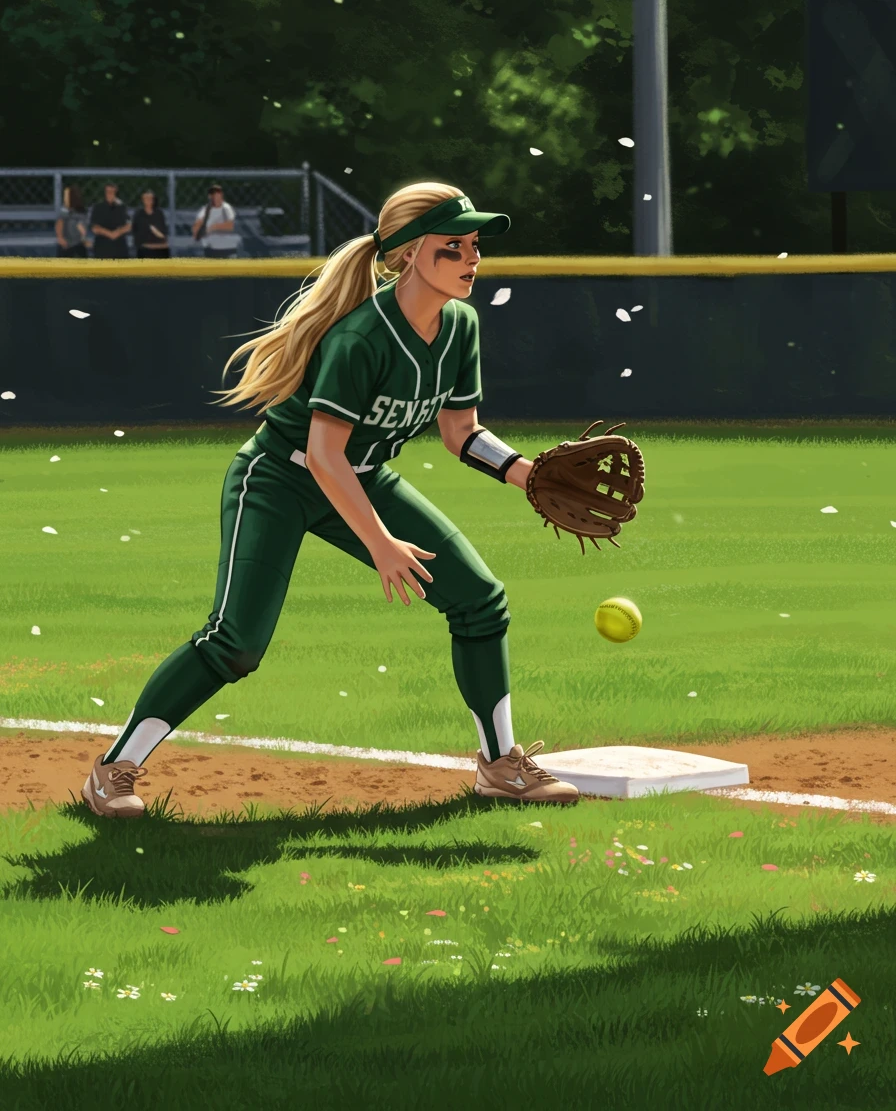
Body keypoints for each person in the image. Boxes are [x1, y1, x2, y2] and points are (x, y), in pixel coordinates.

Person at [80, 181, 580, 819]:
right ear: (407, 253)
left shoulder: (461, 326)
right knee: (236, 643)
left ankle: (500, 766)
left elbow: (462, 433)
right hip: (280, 480)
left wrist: (528, 474)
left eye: (474, 245)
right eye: (452, 247)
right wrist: (382, 545)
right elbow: (321, 455)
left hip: (364, 476)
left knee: (480, 601)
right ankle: (113, 770)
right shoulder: (362, 337)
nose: (471, 260)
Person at [192, 183, 238, 257]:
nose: (216, 197)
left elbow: (230, 226)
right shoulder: (206, 209)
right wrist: (197, 231)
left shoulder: (226, 208)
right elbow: (197, 224)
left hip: (227, 247)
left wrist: (212, 227)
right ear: (210, 196)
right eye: (213, 194)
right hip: (211, 247)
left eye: (218, 194)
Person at [89, 183, 131, 258]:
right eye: (108, 191)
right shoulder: (98, 207)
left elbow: (129, 225)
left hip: (120, 249)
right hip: (102, 249)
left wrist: (117, 233)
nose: (110, 194)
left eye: (112, 191)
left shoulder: (122, 207)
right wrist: (110, 234)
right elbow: (94, 228)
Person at [131, 190, 171, 258]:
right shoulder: (139, 214)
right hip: (145, 247)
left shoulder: (158, 213)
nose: (148, 200)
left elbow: (162, 234)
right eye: (146, 198)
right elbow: (136, 232)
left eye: (150, 198)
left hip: (159, 247)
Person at [55, 185, 89, 257]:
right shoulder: (64, 210)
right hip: (66, 244)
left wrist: (83, 238)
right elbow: (59, 223)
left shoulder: (81, 212)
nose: (65, 198)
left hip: (78, 244)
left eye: (66, 196)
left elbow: (82, 228)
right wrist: (60, 238)